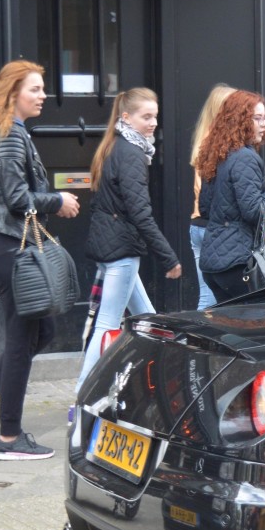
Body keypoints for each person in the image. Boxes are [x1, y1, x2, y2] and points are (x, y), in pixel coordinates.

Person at [0, 60, 80, 460]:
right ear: (13, 94)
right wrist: (57, 200)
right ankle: (9, 438)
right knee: (23, 338)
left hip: (3, 243)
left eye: (42, 89)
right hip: (5, 244)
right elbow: (17, 199)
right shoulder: (9, 134)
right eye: (35, 89)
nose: (43, 96)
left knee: (41, 333)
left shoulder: (15, 131)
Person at [76, 88, 182, 391]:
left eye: (155, 117)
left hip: (112, 247)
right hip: (122, 250)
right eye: (146, 117)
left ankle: (162, 381)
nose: (153, 123)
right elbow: (140, 213)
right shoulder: (132, 154)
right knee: (107, 324)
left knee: (146, 318)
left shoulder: (114, 147)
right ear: (126, 117)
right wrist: (168, 257)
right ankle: (82, 394)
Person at [195, 90, 265, 303]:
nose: (264, 124)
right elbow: (254, 211)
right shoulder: (245, 158)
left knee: (229, 326)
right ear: (239, 120)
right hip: (238, 262)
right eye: (257, 118)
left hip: (214, 263)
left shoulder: (218, 155)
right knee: (259, 324)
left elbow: (206, 208)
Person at [188, 84, 235, 309]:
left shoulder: (202, 141)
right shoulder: (220, 146)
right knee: (214, 300)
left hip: (198, 225)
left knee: (208, 295)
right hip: (214, 227)